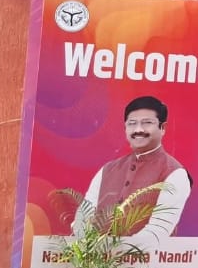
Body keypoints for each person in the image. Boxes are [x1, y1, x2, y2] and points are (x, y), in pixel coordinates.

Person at [71, 95, 190, 250]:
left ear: (163, 128)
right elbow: (84, 215)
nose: (138, 130)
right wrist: (84, 246)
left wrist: (115, 252)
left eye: (147, 123)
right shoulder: (107, 170)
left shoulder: (175, 173)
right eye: (132, 123)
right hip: (95, 267)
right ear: (125, 128)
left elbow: (157, 233)